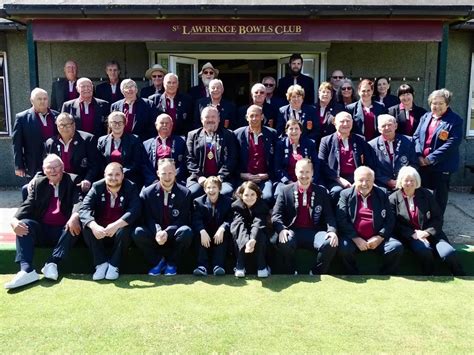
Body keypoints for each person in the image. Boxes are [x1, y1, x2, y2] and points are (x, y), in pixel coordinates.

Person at [5, 155, 82, 289]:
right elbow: (27, 205)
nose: (52, 171)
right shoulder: (39, 183)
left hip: (64, 231)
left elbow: (78, 201)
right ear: (44, 170)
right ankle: (27, 270)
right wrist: (14, 220)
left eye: (56, 167)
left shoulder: (73, 180)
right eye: (48, 168)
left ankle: (52, 263)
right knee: (24, 223)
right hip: (43, 229)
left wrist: (74, 216)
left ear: (62, 168)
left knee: (75, 225)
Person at [389, 166, 465, 276]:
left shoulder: (427, 194)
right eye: (406, 180)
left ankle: (461, 275)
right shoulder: (393, 198)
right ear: (400, 181)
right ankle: (430, 276)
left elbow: (437, 217)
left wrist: (426, 232)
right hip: (411, 236)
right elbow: (394, 223)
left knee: (448, 252)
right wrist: (413, 234)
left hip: (432, 233)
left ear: (417, 181)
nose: (409, 183)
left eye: (412, 180)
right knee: (424, 250)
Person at [272, 159, 338, 275]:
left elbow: (329, 216)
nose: (304, 175)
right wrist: (282, 229)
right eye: (301, 172)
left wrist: (332, 231)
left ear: (312, 172)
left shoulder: (321, 191)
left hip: (314, 232)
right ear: (296, 172)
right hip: (292, 231)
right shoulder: (285, 191)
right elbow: (276, 216)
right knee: (284, 240)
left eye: (307, 172)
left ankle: (316, 272)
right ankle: (291, 272)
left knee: (330, 242)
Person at [337, 166, 404, 275]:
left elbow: (390, 219)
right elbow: (341, 219)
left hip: (377, 238)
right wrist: (356, 238)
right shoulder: (345, 194)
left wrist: (380, 237)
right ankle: (353, 275)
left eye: (368, 180)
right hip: (354, 239)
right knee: (344, 248)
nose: (364, 184)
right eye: (361, 180)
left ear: (373, 181)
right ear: (354, 180)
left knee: (396, 247)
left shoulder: (382, 193)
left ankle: (385, 275)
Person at [80, 162, 141, 281]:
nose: (113, 178)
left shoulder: (131, 187)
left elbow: (135, 210)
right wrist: (94, 226)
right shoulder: (97, 186)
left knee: (126, 229)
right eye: (110, 175)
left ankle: (114, 265)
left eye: (117, 174)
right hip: (101, 230)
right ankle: (101, 263)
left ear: (123, 175)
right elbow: (84, 208)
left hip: (119, 229)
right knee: (87, 226)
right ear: (104, 175)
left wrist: (115, 225)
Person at [133, 158, 193, 276]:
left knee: (187, 232)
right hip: (155, 234)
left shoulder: (185, 193)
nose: (167, 177)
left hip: (174, 234)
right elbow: (148, 218)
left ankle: (171, 264)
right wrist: (158, 231)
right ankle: (158, 262)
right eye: (164, 173)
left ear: (175, 172)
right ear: (158, 173)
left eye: (170, 173)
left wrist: (167, 232)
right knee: (137, 232)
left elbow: (183, 219)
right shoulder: (147, 193)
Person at [413, 88, 462, 215]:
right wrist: (419, 155)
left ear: (447, 104)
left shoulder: (455, 120)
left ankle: (436, 227)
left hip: (441, 166)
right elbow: (416, 136)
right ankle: (423, 222)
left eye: (441, 103)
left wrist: (430, 158)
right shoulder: (426, 116)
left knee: (439, 199)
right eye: (434, 103)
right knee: (422, 195)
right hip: (422, 164)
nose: (437, 106)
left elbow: (452, 143)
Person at [318, 111, 375, 202]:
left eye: (348, 121)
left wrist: (359, 180)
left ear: (352, 123)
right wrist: (338, 179)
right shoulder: (326, 141)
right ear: (335, 123)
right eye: (342, 121)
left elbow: (368, 162)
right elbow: (322, 163)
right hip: (335, 178)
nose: (345, 124)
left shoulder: (360, 140)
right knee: (336, 191)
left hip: (358, 178)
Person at [186, 106, 237, 199]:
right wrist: (199, 177)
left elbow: (232, 158)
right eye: (207, 117)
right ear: (201, 120)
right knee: (191, 193)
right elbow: (189, 159)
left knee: (225, 193)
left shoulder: (228, 135)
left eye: (213, 117)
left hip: (222, 178)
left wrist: (220, 176)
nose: (210, 120)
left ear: (218, 119)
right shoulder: (192, 135)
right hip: (198, 178)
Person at [45, 112, 99, 194]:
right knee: (27, 189)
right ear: (57, 126)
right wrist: (36, 179)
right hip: (57, 182)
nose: (64, 128)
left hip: (79, 182)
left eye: (68, 125)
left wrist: (87, 179)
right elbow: (45, 165)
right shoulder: (51, 142)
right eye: (61, 125)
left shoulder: (87, 139)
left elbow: (94, 165)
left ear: (74, 125)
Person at [234, 105, 277, 205]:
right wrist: (242, 175)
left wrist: (267, 175)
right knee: (239, 198)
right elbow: (233, 159)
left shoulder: (272, 134)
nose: (254, 118)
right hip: (244, 178)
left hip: (264, 178)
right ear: (246, 117)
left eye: (257, 115)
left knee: (266, 197)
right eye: (251, 115)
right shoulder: (237, 135)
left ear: (262, 117)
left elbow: (276, 160)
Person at [13, 88, 59, 179]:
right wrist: (19, 166)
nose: (42, 101)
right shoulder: (22, 118)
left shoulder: (57, 116)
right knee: (35, 191)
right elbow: (17, 144)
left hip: (54, 162)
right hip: (33, 163)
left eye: (45, 99)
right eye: (39, 99)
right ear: (32, 100)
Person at [192, 176, 233, 276]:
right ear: (205, 190)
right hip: (205, 233)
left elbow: (230, 219)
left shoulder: (228, 202)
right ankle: (202, 266)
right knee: (198, 234)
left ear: (219, 188)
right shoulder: (198, 202)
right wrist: (202, 230)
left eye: (214, 187)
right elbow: (196, 219)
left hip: (219, 233)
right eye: (209, 187)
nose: (211, 190)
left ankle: (218, 266)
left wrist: (222, 228)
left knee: (224, 235)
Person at [230, 181, 270, 278]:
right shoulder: (236, 206)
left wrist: (252, 239)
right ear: (241, 195)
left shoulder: (262, 206)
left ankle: (262, 266)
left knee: (260, 235)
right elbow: (239, 224)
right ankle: (240, 265)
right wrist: (246, 241)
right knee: (238, 231)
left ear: (257, 194)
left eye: (252, 194)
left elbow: (258, 223)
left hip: (258, 231)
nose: (249, 198)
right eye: (246, 195)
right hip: (242, 233)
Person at [368, 114, 417, 192]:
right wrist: (387, 181)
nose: (387, 128)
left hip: (406, 182)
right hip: (382, 185)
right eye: (383, 126)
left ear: (396, 126)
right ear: (379, 129)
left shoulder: (409, 141)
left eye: (389, 125)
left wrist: (402, 179)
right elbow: (372, 168)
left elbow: (414, 163)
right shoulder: (371, 145)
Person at [97, 111, 146, 186]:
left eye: (120, 122)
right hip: (107, 179)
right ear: (110, 124)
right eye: (114, 122)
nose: (117, 125)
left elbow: (136, 163)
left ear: (124, 124)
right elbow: (99, 162)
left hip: (129, 180)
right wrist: (110, 174)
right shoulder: (102, 140)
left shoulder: (134, 140)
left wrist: (119, 174)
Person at [274, 119, 319, 195]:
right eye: (291, 129)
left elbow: (316, 164)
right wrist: (288, 182)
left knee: (321, 193)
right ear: (286, 131)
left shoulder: (310, 144)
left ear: (301, 131)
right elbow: (278, 168)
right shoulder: (280, 145)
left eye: (296, 128)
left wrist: (311, 180)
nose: (294, 131)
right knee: (279, 194)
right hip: (287, 181)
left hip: (307, 179)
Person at [142, 113, 187, 186]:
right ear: (156, 125)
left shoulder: (182, 142)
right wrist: (154, 181)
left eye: (167, 123)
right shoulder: (146, 144)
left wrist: (174, 178)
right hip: (153, 182)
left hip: (176, 181)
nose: (164, 125)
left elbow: (184, 163)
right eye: (162, 123)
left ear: (172, 125)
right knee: (142, 196)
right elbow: (145, 166)